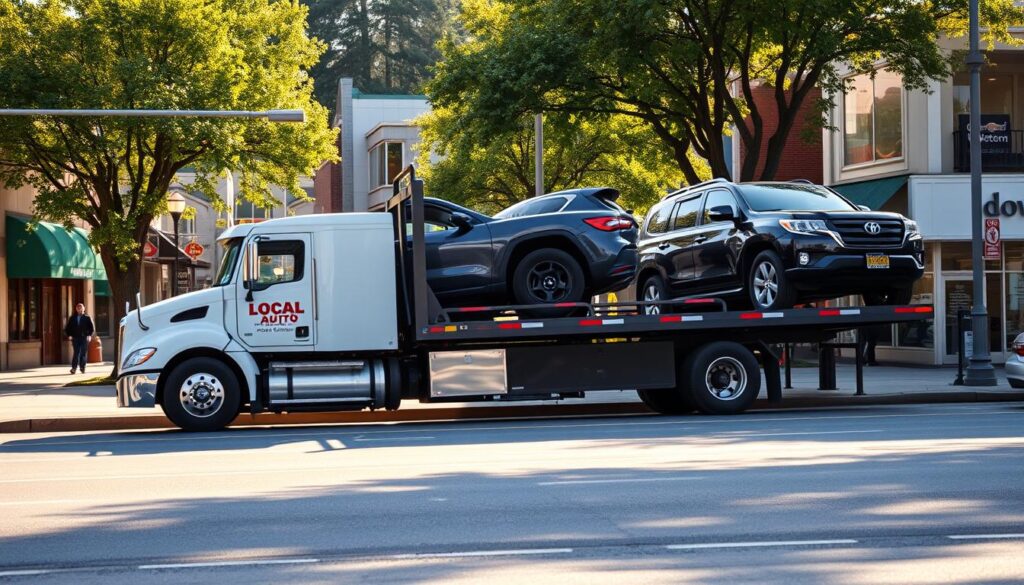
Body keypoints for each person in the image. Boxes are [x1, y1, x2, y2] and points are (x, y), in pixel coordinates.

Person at [64, 303, 94, 374]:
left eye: (81, 307)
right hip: (75, 338)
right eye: (78, 308)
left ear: (84, 308)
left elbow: (91, 328)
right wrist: (69, 335)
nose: (79, 309)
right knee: (76, 353)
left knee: (83, 353)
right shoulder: (72, 318)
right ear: (76, 309)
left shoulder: (87, 318)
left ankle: (82, 367)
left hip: (84, 338)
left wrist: (89, 335)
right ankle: (74, 368)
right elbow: (68, 328)